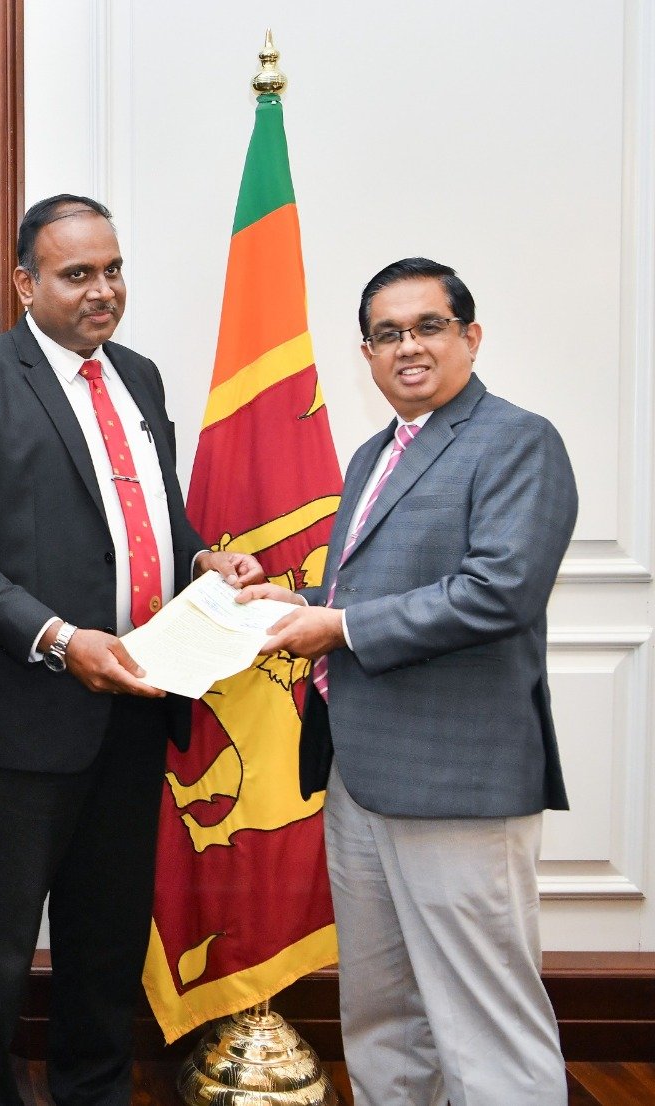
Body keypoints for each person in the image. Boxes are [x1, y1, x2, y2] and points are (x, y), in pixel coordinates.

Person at [0, 194, 261, 1106]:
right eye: (77, 274)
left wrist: (205, 557)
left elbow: (152, 515)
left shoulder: (140, 376)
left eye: (113, 270)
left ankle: (94, 1092)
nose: (103, 290)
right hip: (23, 717)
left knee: (107, 940)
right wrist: (58, 638)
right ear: (25, 283)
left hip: (141, 705)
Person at [240, 257, 576, 1105]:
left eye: (429, 326)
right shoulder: (374, 454)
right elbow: (368, 596)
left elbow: (498, 591)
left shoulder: (517, 439)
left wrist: (337, 627)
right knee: (383, 1017)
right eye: (387, 334)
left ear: (471, 336)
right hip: (360, 775)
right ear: (367, 354)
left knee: (487, 1029)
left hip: (457, 780)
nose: (408, 347)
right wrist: (302, 605)